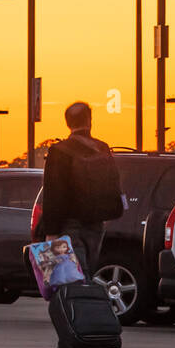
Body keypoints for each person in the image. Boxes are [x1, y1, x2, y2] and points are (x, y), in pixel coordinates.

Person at [39, 101, 120, 274]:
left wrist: (51, 231)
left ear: (67, 123)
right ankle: (87, 299)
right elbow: (113, 182)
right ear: (90, 120)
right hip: (96, 225)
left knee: (66, 277)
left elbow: (53, 194)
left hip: (68, 226)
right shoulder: (102, 148)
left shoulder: (59, 151)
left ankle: (72, 302)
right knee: (88, 272)